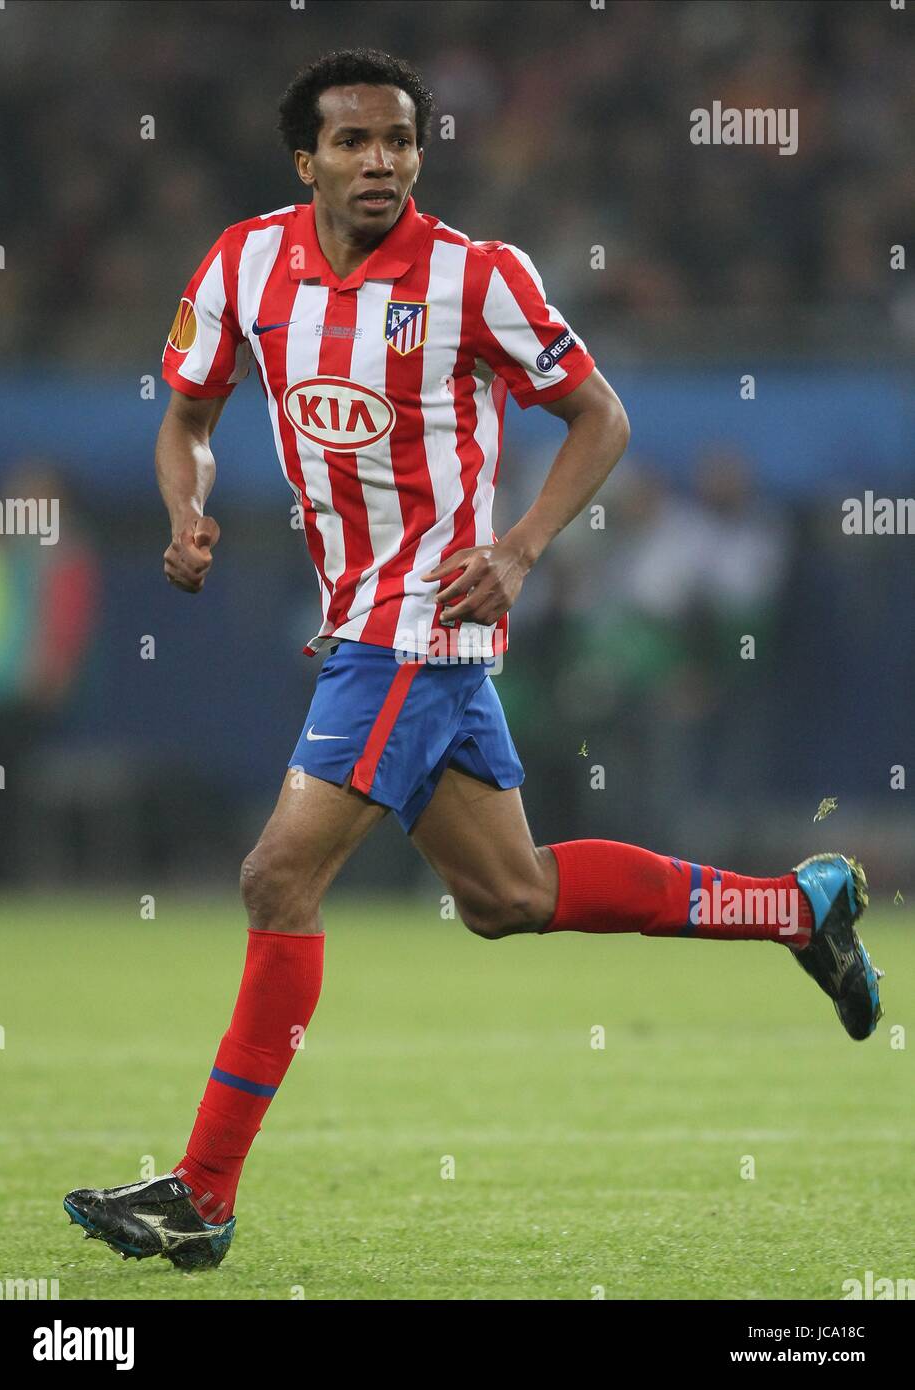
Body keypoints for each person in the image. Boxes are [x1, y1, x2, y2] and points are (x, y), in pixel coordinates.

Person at [63, 48, 883, 1272]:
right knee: (510, 897)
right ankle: (794, 907)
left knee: (274, 879)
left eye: (399, 139)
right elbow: (184, 412)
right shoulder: (240, 263)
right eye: (353, 141)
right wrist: (186, 509)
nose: (381, 160)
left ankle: (203, 1190)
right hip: (361, 616)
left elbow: (599, 414)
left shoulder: (475, 276)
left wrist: (519, 546)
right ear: (307, 161)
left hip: (424, 615)